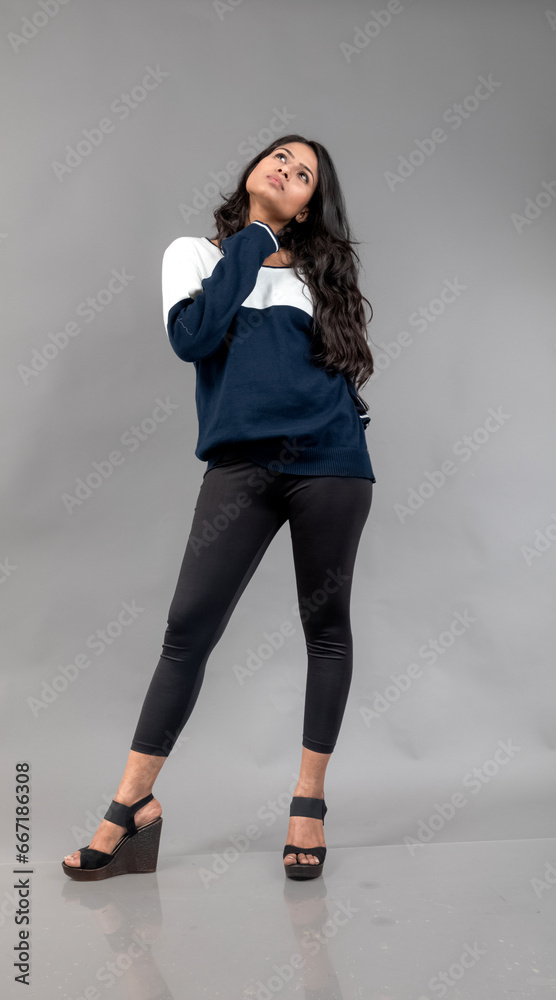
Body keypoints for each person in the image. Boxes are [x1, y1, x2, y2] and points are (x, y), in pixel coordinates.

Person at [62, 134, 376, 882]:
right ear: (255, 170)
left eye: (304, 174)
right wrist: (256, 239)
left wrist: (343, 426)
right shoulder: (195, 256)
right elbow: (192, 338)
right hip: (240, 467)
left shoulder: (318, 276)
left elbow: (338, 366)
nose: (287, 170)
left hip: (330, 464)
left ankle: (308, 803)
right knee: (187, 631)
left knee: (325, 629)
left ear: (309, 207)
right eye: (280, 159)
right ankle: (132, 803)